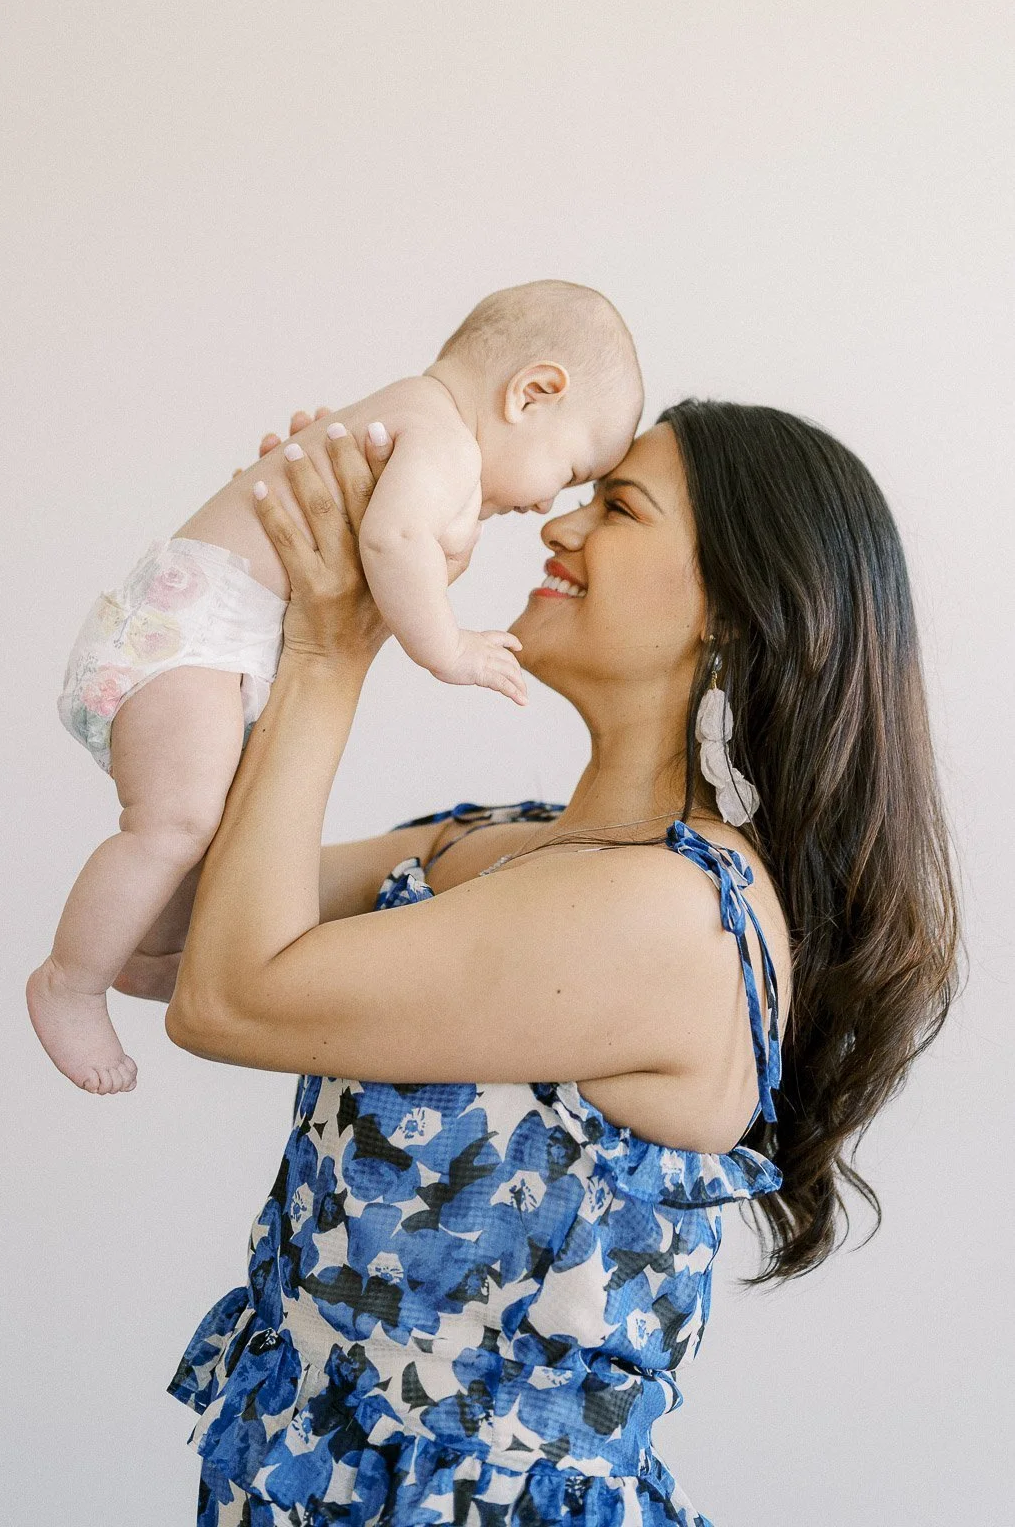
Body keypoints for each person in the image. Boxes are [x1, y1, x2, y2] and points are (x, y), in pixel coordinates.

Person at [160, 403, 961, 1527]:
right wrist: (268, 582)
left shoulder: (669, 914)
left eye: (618, 507)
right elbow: (172, 933)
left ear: (733, 609)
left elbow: (227, 1000)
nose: (557, 527)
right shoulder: (501, 845)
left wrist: (331, 649)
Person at [28, 280, 643, 1095]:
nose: (542, 505)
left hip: (214, 650)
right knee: (172, 822)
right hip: (188, 641)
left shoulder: (425, 427)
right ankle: (68, 982)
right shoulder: (441, 436)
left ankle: (145, 956)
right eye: (568, 472)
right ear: (532, 392)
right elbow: (392, 540)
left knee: (208, 829)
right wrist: (448, 648)